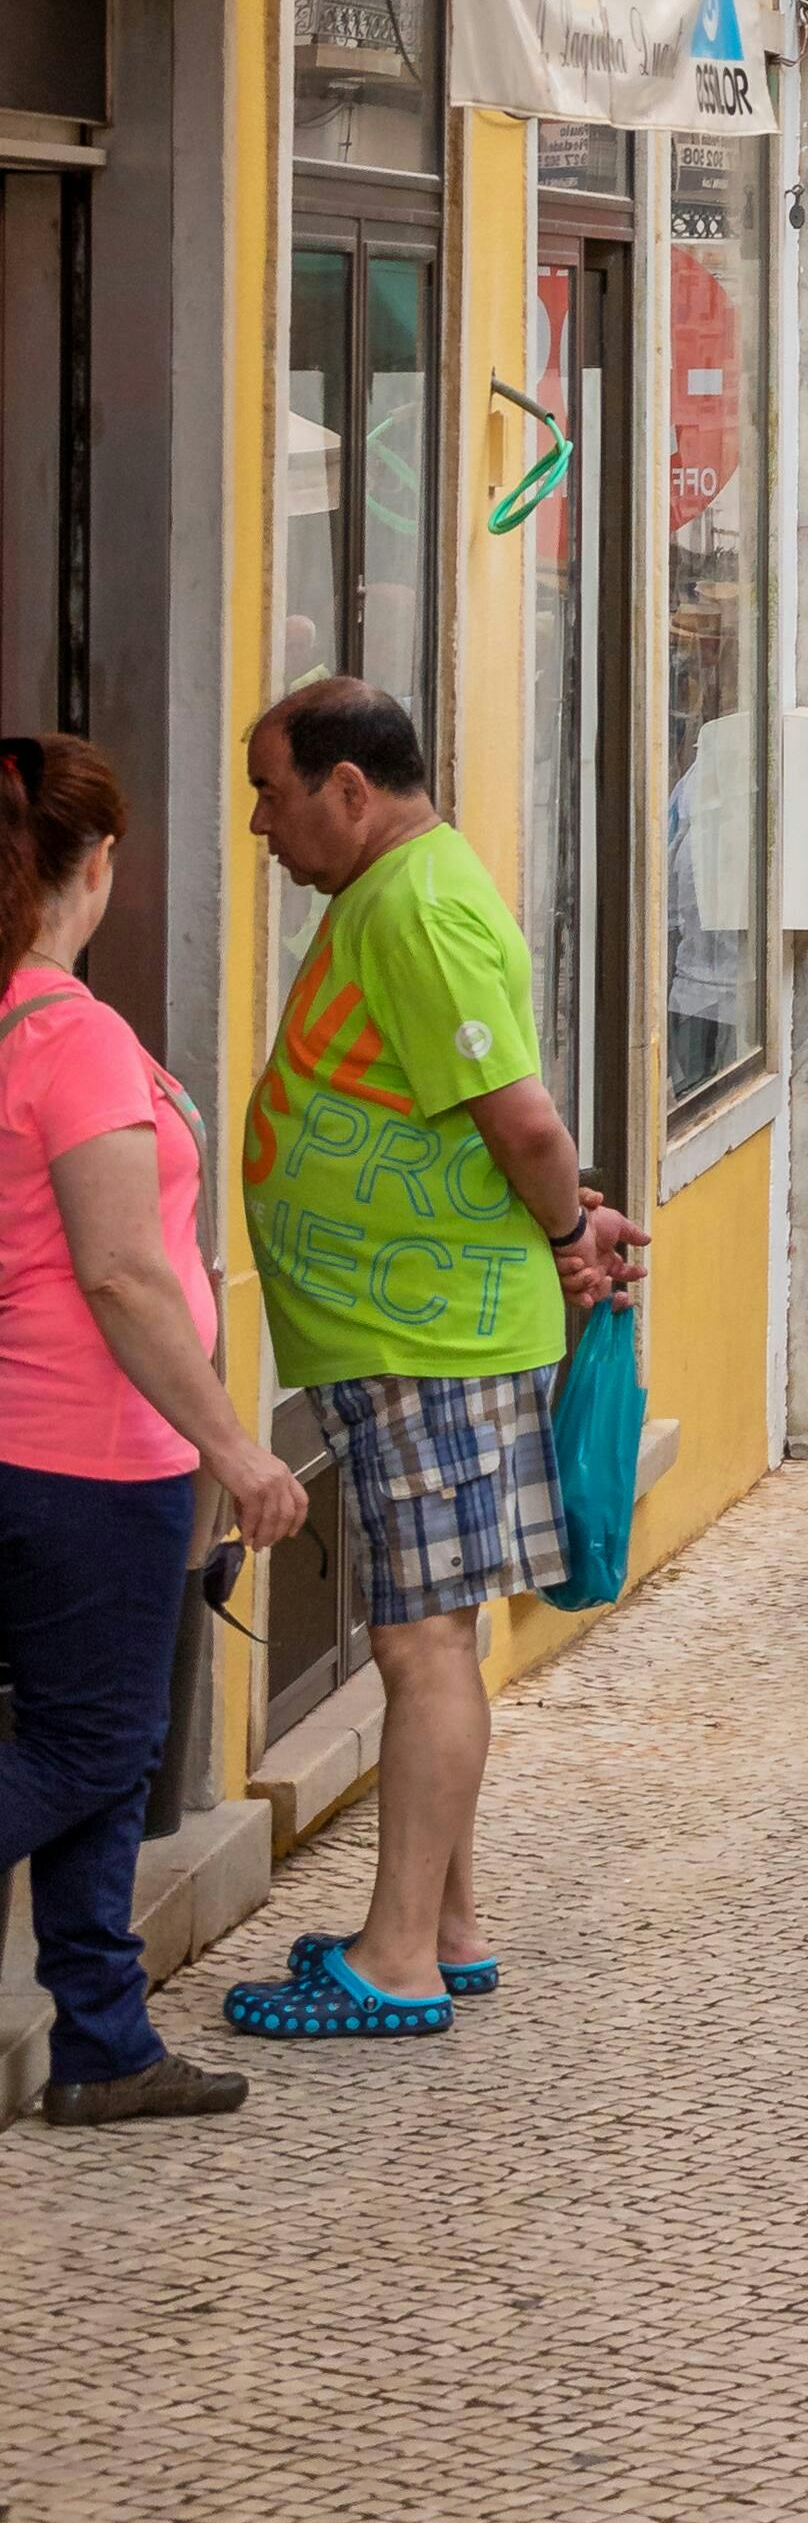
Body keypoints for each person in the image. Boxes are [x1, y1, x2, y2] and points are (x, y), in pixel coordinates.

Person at [223, 682, 642, 2047]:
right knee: (430, 1634)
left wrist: (574, 1225)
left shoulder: (416, 904)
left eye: (273, 793)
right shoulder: (391, 891)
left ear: (350, 788)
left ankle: (398, 1955)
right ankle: (440, 1926)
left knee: (421, 1643)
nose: (259, 825)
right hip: (406, 1328)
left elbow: (520, 1121)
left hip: (434, 1336)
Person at [1, 739, 306, 2124]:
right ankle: (105, 2031)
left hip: (39, 1443)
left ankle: (106, 2037)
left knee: (93, 1747)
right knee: (91, 1748)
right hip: (84, 1450)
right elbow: (123, 1270)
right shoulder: (66, 1035)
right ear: (100, 863)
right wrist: (239, 1449)